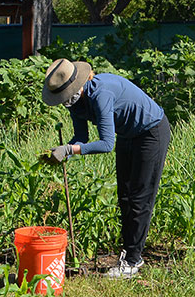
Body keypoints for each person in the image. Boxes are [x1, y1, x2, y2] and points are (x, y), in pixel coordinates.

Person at [40, 58, 170, 279]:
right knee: (125, 197)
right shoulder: (75, 103)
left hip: (151, 132)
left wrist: (70, 151)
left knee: (140, 199)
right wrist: (63, 152)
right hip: (129, 134)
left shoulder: (101, 95)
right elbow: (81, 137)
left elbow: (106, 144)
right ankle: (129, 252)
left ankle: (132, 261)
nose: (64, 102)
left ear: (75, 86)